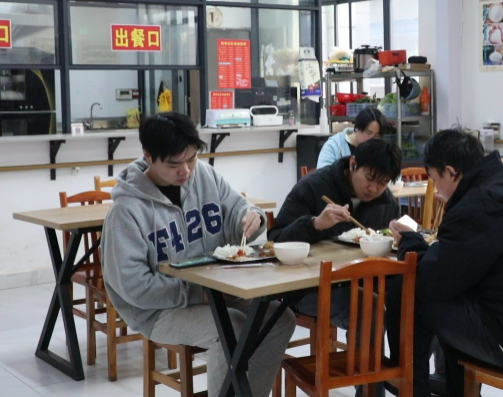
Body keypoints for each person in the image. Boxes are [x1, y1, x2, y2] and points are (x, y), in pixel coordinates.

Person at [100, 112, 295, 397]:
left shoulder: (205, 175)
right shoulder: (126, 211)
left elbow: (237, 209)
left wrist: (251, 216)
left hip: (217, 289)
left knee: (279, 318)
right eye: (174, 164)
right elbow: (134, 286)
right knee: (229, 327)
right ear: (148, 156)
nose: (186, 171)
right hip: (158, 310)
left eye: (191, 159)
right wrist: (197, 294)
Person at [390, 129, 503, 397]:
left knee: (407, 290)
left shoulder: (479, 205)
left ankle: (409, 388)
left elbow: (433, 281)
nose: (437, 189)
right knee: (455, 294)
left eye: (435, 180)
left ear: (451, 172)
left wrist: (410, 243)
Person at [270, 138, 401, 324]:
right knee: (368, 306)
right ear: (353, 164)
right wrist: (315, 224)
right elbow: (277, 240)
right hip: (308, 288)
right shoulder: (313, 186)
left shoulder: (386, 203)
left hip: (364, 281)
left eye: (382, 183)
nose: (373, 189)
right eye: (369, 178)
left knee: (412, 298)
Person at [316, 107, 386, 168]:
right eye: (368, 133)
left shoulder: (378, 149)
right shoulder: (334, 146)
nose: (372, 139)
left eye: (377, 135)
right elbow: (323, 175)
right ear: (356, 128)